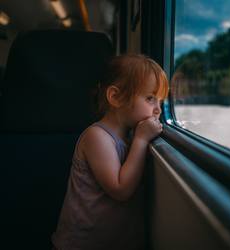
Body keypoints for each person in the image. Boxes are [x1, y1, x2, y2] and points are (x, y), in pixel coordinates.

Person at [51, 54, 169, 250]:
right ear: (115, 97)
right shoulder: (97, 137)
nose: (158, 110)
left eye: (160, 101)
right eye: (150, 98)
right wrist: (141, 140)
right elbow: (120, 189)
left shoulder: (129, 137)